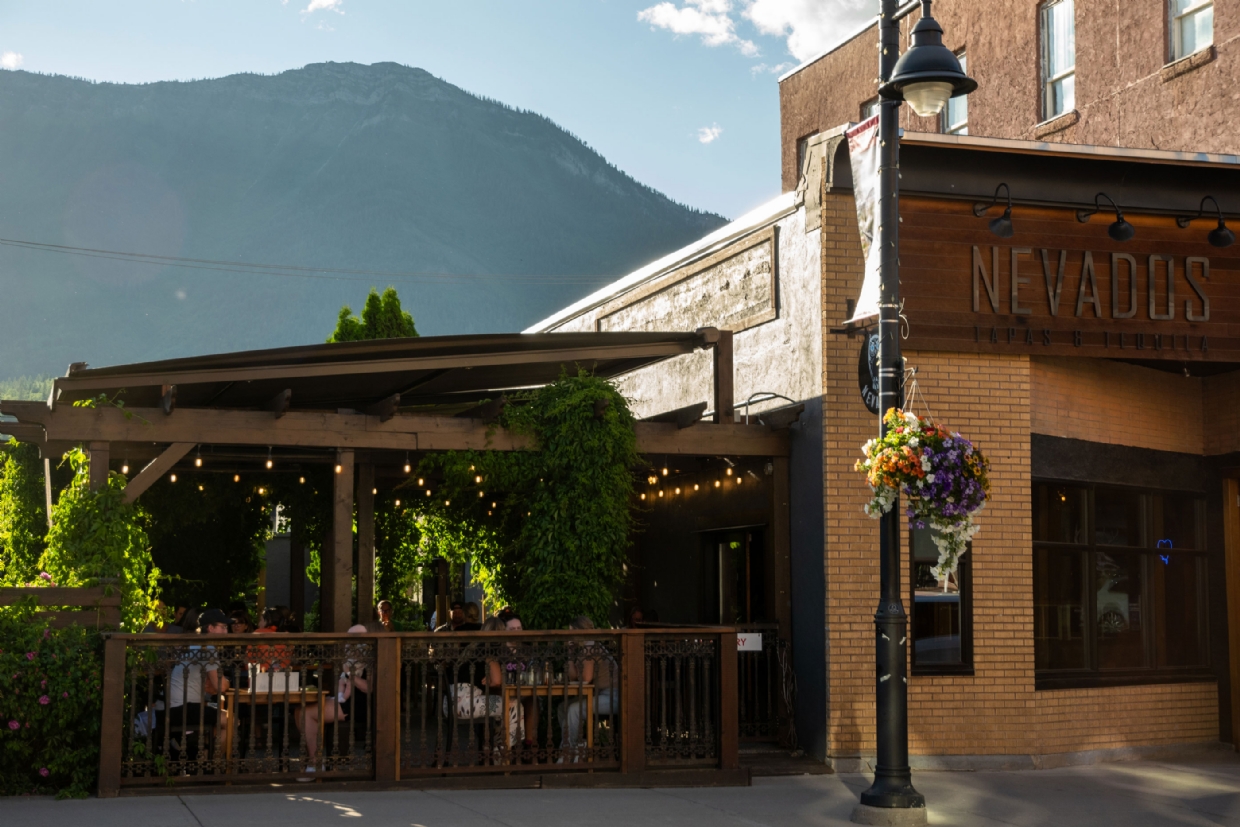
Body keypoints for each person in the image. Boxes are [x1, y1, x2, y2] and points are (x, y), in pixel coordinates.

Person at [294, 624, 370, 776]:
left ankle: (316, 763)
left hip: (359, 704)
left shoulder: (371, 660)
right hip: (347, 700)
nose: (350, 644)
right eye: (348, 640)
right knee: (300, 711)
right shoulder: (352, 659)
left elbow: (368, 688)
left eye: (354, 640)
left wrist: (349, 675)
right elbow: (343, 681)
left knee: (305, 713)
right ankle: (315, 759)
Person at [158, 608, 231, 755]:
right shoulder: (207, 647)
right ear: (210, 628)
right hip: (182, 709)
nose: (226, 632)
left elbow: (211, 687)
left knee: (219, 719)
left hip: (171, 708)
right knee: (230, 720)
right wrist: (225, 684)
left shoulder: (197, 644)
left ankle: (204, 758)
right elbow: (221, 686)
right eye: (223, 627)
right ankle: (211, 764)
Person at [557, 616, 617, 762]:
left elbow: (585, 679)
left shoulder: (590, 647)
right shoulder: (584, 647)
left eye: (571, 632)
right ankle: (577, 746)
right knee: (563, 707)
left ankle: (568, 752)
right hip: (600, 695)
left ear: (579, 631)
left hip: (613, 697)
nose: (569, 636)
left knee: (574, 709)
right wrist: (570, 653)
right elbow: (573, 677)